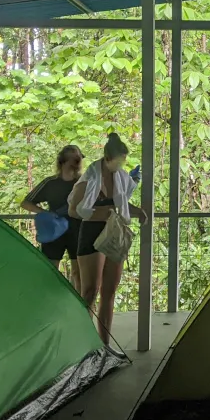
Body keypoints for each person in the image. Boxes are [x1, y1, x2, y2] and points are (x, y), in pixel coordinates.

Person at [68, 133, 148, 345]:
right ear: (107, 158)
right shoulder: (89, 179)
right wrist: (97, 214)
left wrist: (138, 211)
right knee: (90, 291)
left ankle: (105, 344)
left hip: (114, 231)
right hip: (92, 231)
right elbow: (73, 210)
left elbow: (122, 203)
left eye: (123, 161)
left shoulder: (121, 177)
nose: (121, 165)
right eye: (119, 160)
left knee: (109, 291)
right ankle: (85, 343)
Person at [21, 145, 84, 292]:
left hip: (79, 231)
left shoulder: (84, 182)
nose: (78, 161)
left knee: (79, 273)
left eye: (79, 158)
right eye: (74, 158)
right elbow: (26, 202)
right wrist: (46, 214)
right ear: (63, 160)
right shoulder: (50, 183)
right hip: (54, 231)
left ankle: (79, 302)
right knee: (50, 271)